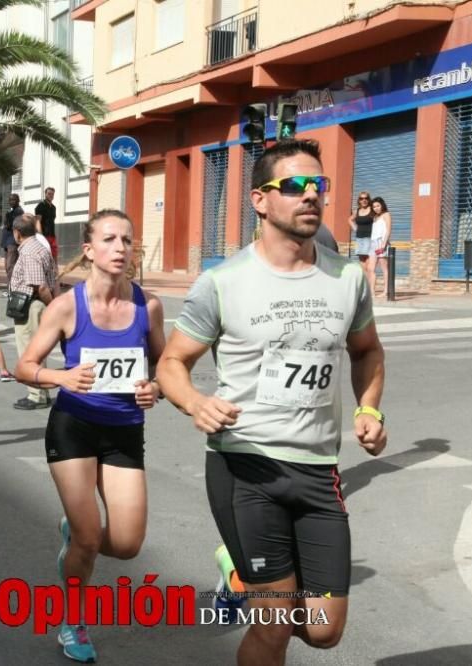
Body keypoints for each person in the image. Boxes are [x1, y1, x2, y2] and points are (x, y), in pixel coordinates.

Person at [157, 139, 387, 666]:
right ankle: (255, 589)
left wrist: (369, 409)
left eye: (319, 185)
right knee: (276, 622)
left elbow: (368, 350)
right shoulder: (221, 283)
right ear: (260, 200)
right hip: (245, 465)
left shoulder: (347, 278)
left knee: (325, 631)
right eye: (295, 186)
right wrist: (195, 403)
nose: (311, 196)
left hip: (318, 469)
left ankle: (236, 575)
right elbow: (172, 364)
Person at [14, 209, 166, 663]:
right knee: (87, 540)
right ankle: (73, 621)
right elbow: (24, 366)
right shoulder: (67, 306)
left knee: (126, 544)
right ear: (89, 250)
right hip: (74, 426)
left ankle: (76, 533)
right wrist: (60, 378)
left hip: (124, 431)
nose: (120, 248)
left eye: (127, 239)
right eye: (110, 239)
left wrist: (153, 386)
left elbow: (164, 363)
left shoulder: (148, 305)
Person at [8, 214, 59, 409]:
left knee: (29, 350)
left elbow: (41, 286)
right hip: (37, 304)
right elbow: (52, 279)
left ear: (17, 233)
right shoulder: (41, 248)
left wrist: (52, 306)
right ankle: (41, 392)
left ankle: (36, 394)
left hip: (31, 305)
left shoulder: (29, 252)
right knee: (37, 349)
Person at [348, 191, 375, 290]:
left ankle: (369, 286)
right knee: (362, 264)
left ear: (368, 200)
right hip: (360, 239)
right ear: (359, 200)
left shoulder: (372, 210)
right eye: (361, 198)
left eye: (366, 198)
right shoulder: (357, 211)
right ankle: (364, 286)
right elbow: (350, 220)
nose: (364, 200)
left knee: (369, 265)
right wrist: (356, 229)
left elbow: (379, 219)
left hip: (369, 239)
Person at [370, 197, 392, 298]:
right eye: (374, 206)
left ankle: (386, 290)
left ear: (382, 205)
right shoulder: (375, 217)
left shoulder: (386, 215)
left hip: (381, 242)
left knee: (384, 268)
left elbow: (388, 230)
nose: (376, 208)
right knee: (371, 268)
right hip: (373, 242)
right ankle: (372, 291)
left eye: (378, 206)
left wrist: (384, 243)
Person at [1, 193, 24, 287]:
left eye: (13, 200)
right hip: (7, 242)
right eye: (10, 200)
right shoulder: (11, 211)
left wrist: (7, 217)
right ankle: (11, 286)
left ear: (18, 200)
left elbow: (11, 224)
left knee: (10, 265)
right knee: (8, 266)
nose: (11, 201)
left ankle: (13, 287)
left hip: (13, 242)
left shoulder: (18, 211)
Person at [34, 186, 59, 261]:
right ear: (45, 194)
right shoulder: (40, 206)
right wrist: (40, 236)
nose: (51, 196)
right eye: (49, 194)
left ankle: (54, 271)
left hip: (52, 235)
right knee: (45, 255)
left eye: (52, 194)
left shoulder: (54, 207)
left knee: (54, 254)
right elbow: (37, 221)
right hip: (44, 235)